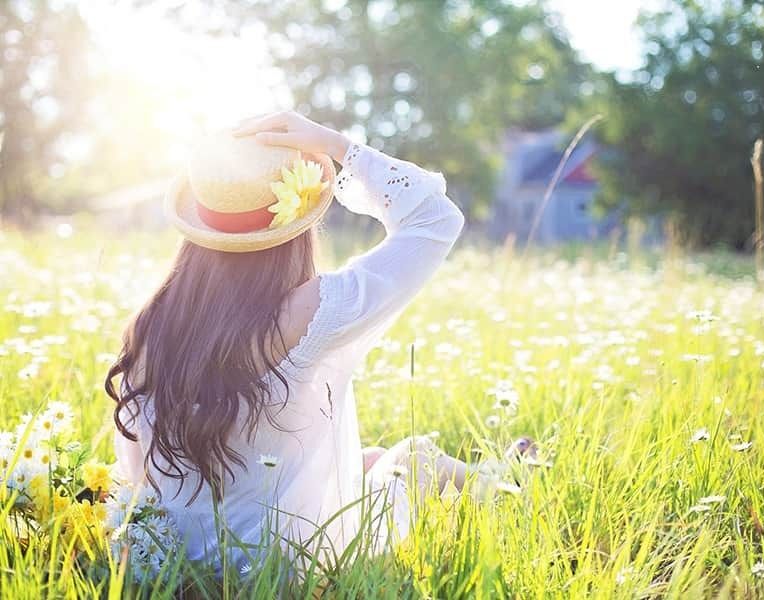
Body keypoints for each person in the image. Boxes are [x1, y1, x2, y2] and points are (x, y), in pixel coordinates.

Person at [105, 110, 531, 577]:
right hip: (291, 565)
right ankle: (509, 487)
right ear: (295, 227)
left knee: (369, 460)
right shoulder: (308, 312)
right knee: (415, 457)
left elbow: (136, 470)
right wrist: (337, 145)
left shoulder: (151, 323)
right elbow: (435, 218)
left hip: (183, 559)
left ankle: (500, 474)